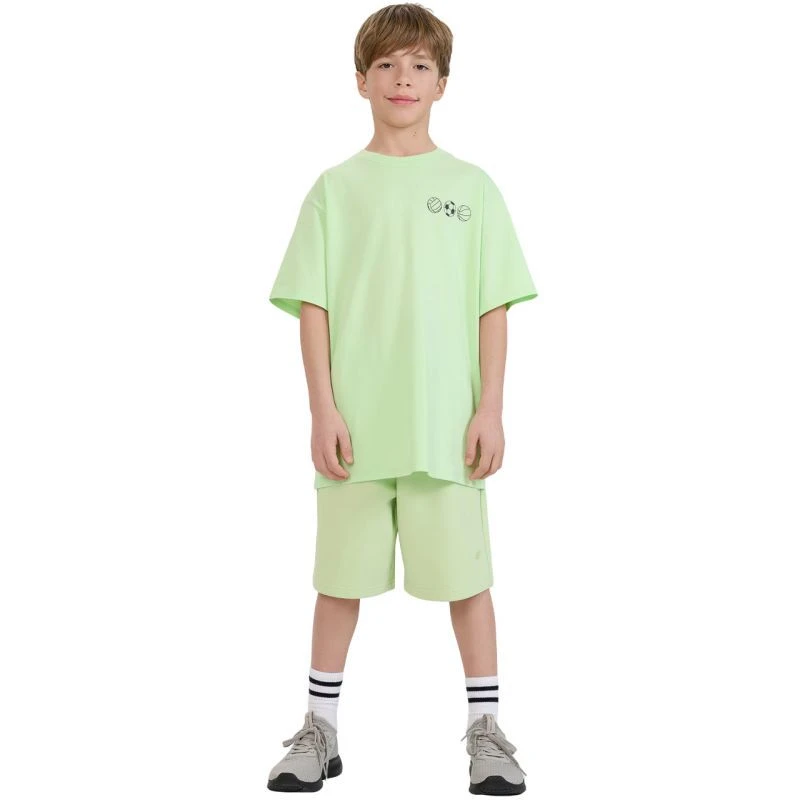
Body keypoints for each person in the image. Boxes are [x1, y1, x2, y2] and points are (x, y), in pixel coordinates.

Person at [265, 3, 537, 795]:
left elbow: (493, 306)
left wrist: (490, 408)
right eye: (386, 64)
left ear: (442, 83)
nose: (402, 78)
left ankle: (487, 732)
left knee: (468, 583)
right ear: (361, 81)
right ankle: (319, 730)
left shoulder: (471, 187)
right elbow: (313, 306)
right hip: (356, 429)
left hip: (446, 428)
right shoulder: (335, 189)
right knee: (338, 581)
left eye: (420, 65)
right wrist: (322, 409)